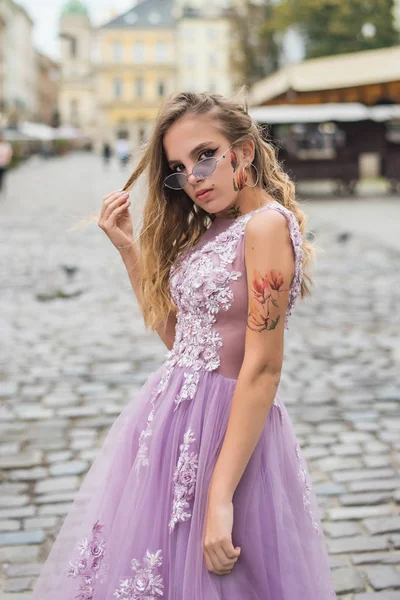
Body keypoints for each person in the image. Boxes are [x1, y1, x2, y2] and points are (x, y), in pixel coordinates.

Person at [31, 90, 337, 599]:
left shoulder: (265, 226)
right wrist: (130, 251)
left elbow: (261, 369)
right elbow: (184, 341)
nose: (192, 177)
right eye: (178, 167)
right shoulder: (217, 229)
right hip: (172, 426)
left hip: (229, 435)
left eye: (204, 155)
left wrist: (219, 497)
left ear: (244, 150)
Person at [0, 131, 13, 199]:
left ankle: (2, 191)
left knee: (3, 178)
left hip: (4, 164)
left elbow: (9, 153)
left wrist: (8, 160)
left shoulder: (6, 145)